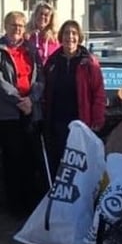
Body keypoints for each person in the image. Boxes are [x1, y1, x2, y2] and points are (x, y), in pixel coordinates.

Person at [0, 11, 45, 218]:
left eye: (21, 25)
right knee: (13, 159)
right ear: (5, 26)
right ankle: (15, 205)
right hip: (7, 114)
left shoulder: (30, 49)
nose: (17, 29)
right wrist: (19, 100)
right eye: (13, 25)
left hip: (30, 110)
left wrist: (32, 99)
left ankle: (31, 202)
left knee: (29, 158)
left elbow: (40, 77)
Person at [43, 20, 106, 178]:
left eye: (74, 33)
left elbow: (99, 93)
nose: (69, 37)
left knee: (79, 169)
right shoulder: (52, 62)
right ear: (60, 36)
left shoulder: (89, 63)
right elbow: (44, 91)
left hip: (80, 123)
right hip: (57, 123)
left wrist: (97, 120)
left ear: (79, 37)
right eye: (66, 33)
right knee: (58, 166)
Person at [26, 1, 60, 66]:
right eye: (40, 14)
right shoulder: (27, 35)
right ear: (35, 16)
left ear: (51, 19)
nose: (42, 17)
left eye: (46, 15)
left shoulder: (56, 38)